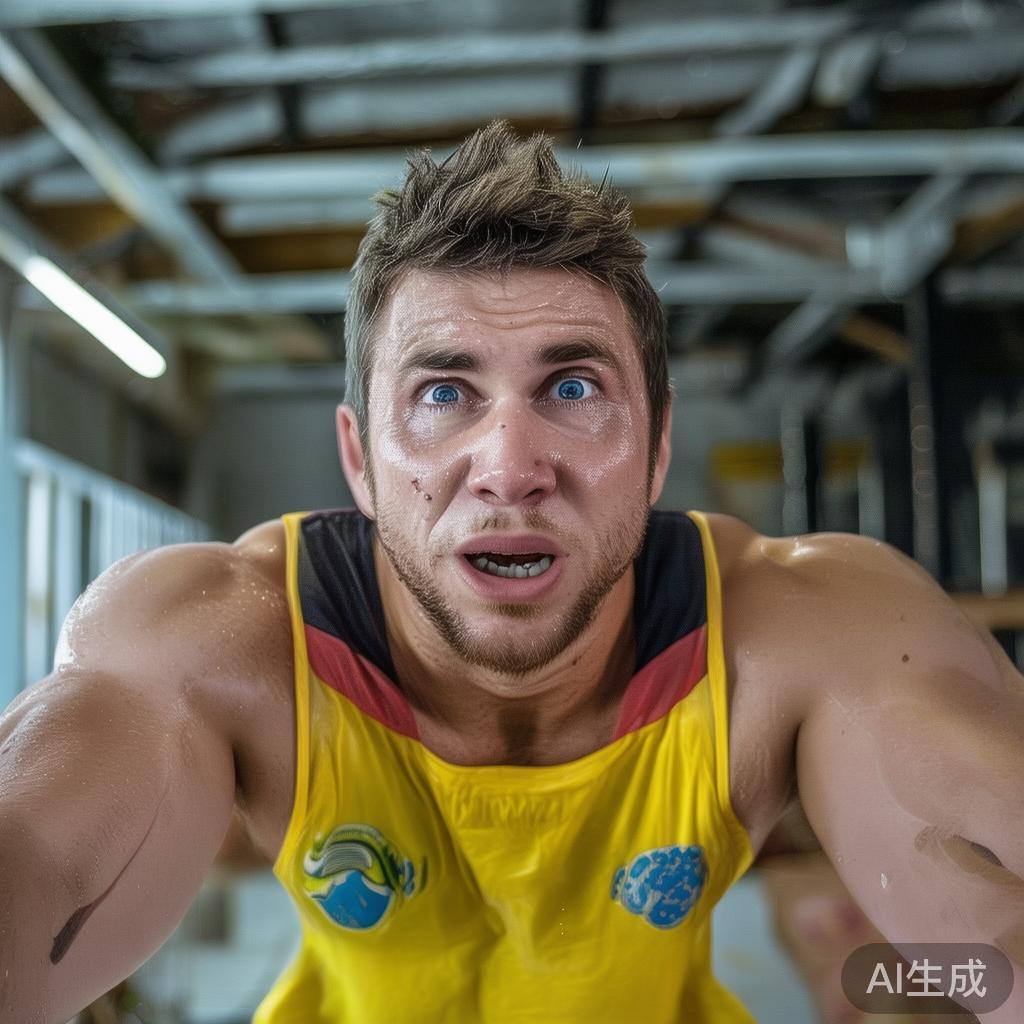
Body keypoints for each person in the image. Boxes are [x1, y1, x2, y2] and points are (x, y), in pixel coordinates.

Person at [1, 121, 1022, 1024]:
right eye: (443, 393)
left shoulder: (803, 634)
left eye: (572, 387)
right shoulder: (225, 643)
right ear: (358, 460)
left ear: (658, 449)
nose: (510, 466)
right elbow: (33, 857)